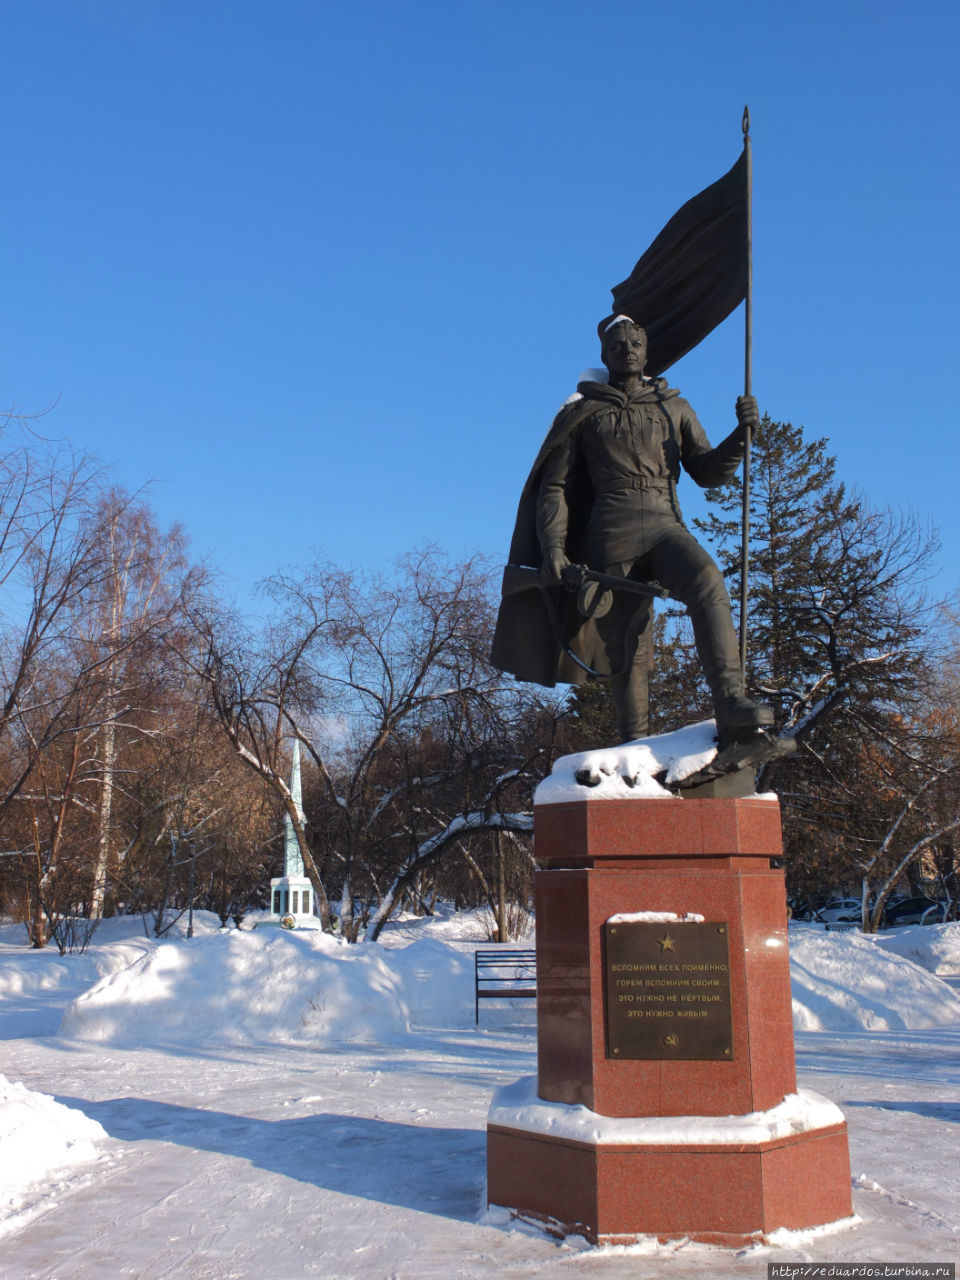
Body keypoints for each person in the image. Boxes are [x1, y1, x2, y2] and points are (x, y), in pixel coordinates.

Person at [490, 315, 771, 747]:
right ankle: (634, 746)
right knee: (628, 645)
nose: (628, 348)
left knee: (706, 580)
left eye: (636, 341)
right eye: (618, 343)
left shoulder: (672, 406)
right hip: (610, 529)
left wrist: (741, 436)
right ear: (604, 354)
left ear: (646, 349)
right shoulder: (583, 412)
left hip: (664, 523)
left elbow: (708, 472)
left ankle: (731, 700)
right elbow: (557, 488)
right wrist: (552, 548)